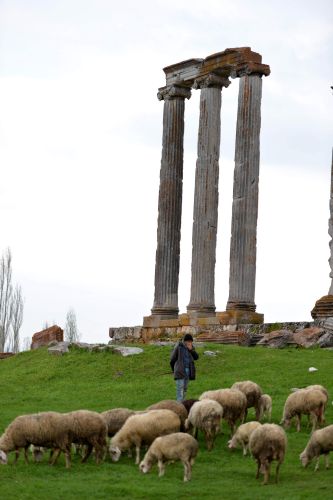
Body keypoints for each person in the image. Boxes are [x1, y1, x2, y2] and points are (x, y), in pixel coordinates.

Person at [170, 333, 199, 402]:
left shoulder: (192, 348)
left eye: (191, 341)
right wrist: (174, 370)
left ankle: (183, 405)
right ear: (185, 341)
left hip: (188, 371)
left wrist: (191, 350)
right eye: (189, 341)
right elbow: (172, 359)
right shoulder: (179, 347)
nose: (190, 343)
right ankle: (179, 407)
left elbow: (196, 357)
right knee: (180, 390)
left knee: (185, 389)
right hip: (180, 371)